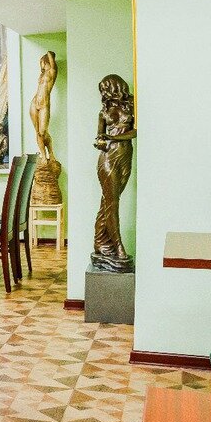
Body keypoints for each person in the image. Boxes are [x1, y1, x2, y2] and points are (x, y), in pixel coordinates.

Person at [92, 74, 136, 273]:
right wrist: (101, 141)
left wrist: (112, 137)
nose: (103, 93)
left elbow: (135, 131)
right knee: (112, 203)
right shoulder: (103, 113)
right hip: (107, 159)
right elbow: (99, 138)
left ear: (115, 87)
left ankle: (100, 241)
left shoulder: (131, 106)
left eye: (105, 89)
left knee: (107, 202)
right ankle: (118, 247)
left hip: (125, 156)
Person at [29, 51, 58, 161]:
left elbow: (51, 55)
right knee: (37, 132)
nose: (40, 65)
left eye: (41, 62)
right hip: (34, 103)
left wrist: (47, 54)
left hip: (44, 105)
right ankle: (43, 156)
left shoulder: (52, 72)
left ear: (46, 61)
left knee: (43, 132)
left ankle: (51, 153)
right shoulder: (42, 74)